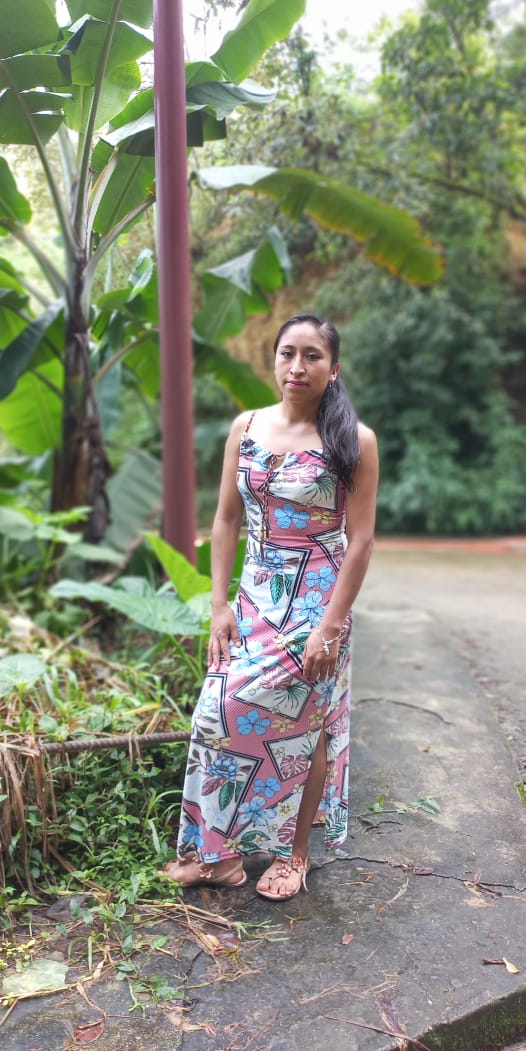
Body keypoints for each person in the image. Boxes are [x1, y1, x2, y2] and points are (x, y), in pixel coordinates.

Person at [162, 314, 379, 900]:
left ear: (333, 369)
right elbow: (226, 518)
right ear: (275, 361)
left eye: (312, 356)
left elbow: (359, 540)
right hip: (255, 595)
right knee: (217, 710)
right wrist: (219, 605)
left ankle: (296, 853)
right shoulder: (247, 426)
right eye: (288, 353)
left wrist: (330, 628)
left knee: (308, 728)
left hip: (317, 603)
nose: (297, 366)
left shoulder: (353, 440)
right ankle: (222, 856)